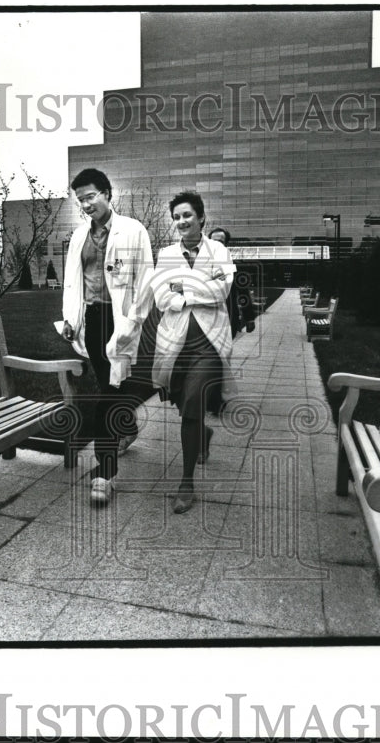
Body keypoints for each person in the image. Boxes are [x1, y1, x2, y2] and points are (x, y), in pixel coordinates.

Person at [127, 191, 236, 514]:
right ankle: (202, 435)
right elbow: (161, 297)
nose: (181, 222)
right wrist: (195, 289)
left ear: (201, 218)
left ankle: (186, 482)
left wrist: (182, 289)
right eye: (176, 217)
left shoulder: (219, 250)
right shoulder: (166, 255)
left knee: (190, 403)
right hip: (175, 341)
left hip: (209, 342)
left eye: (187, 215)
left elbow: (222, 291)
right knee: (180, 399)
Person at [61, 168, 153, 506]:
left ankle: (105, 471)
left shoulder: (133, 230)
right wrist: (70, 319)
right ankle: (126, 427)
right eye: (80, 199)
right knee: (111, 388)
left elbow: (145, 283)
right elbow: (73, 282)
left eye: (90, 197)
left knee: (108, 394)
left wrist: (131, 324)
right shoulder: (78, 237)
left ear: (107, 194)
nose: (85, 204)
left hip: (121, 321)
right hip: (93, 320)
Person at [208, 227, 255, 338]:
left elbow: (243, 293)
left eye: (220, 242)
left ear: (225, 245)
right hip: (205, 319)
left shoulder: (234, 267)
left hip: (228, 319)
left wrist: (249, 318)